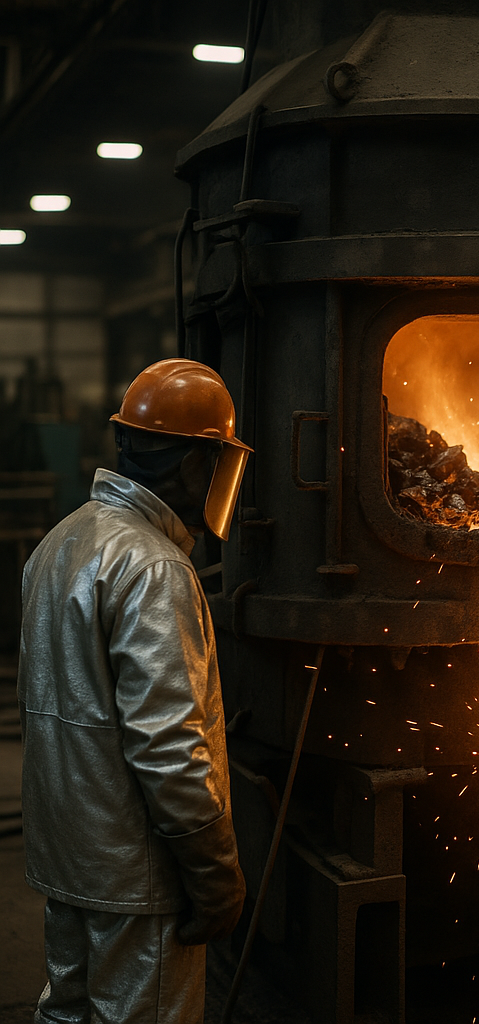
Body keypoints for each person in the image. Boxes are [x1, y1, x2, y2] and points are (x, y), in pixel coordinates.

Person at [18, 358, 253, 1023]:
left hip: (69, 856)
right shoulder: (153, 566)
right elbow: (168, 746)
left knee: (67, 1011)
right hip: (136, 874)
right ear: (192, 465)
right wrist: (213, 871)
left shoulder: (62, 542)